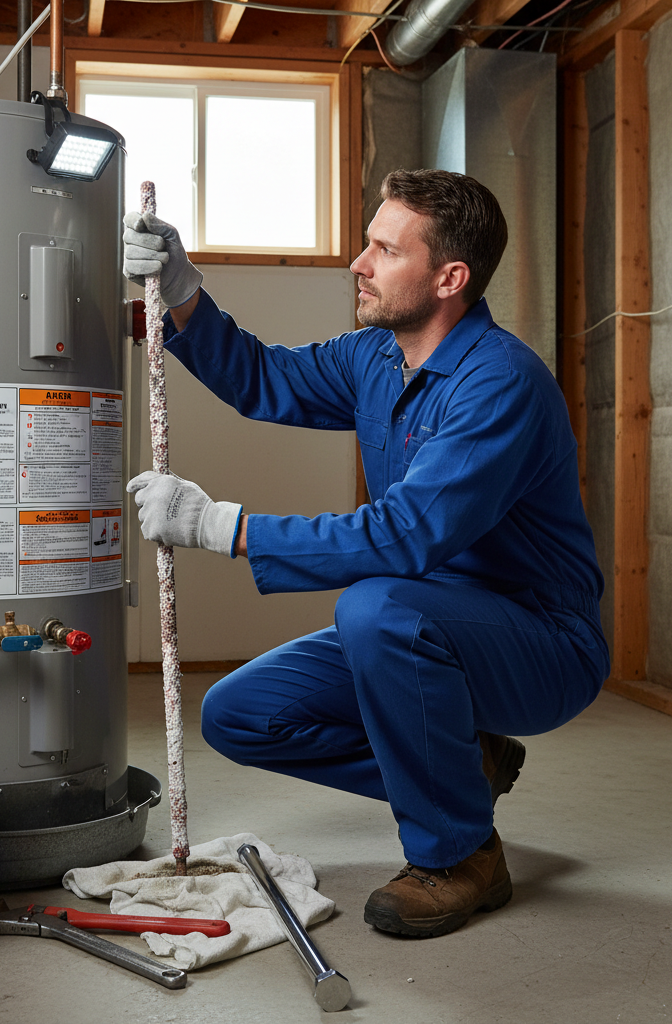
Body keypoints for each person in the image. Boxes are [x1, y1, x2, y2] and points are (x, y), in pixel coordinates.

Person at [123, 169, 609, 939]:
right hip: (427, 627)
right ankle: (465, 770)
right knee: (243, 714)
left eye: (384, 248)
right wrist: (183, 291)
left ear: (449, 278)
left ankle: (459, 857)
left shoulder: (500, 384)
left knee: (375, 604)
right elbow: (262, 378)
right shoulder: (375, 358)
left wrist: (226, 527)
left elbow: (405, 535)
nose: (358, 261)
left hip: (539, 642)